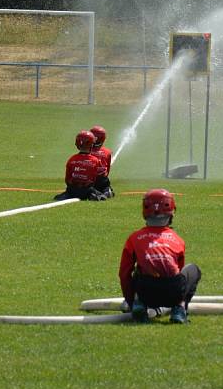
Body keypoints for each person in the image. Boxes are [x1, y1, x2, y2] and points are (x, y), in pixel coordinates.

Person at [119, 188, 201, 324]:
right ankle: (179, 310)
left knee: (138, 270)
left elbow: (124, 274)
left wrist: (130, 301)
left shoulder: (134, 238)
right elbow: (178, 274)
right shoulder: (177, 239)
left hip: (146, 293)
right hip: (173, 294)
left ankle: (139, 305)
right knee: (193, 270)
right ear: (171, 210)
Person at [54, 130, 106, 201]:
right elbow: (96, 178)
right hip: (87, 190)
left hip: (71, 191)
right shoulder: (95, 160)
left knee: (57, 197)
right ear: (91, 144)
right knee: (102, 196)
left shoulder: (71, 159)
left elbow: (67, 179)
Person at [90, 125, 114, 198]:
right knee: (106, 187)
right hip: (102, 181)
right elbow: (107, 171)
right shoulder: (108, 152)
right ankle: (106, 191)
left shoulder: (86, 150)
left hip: (89, 181)